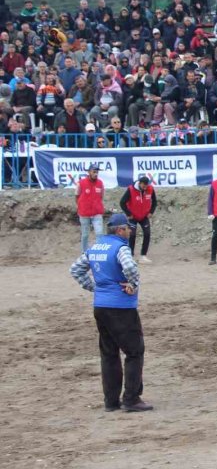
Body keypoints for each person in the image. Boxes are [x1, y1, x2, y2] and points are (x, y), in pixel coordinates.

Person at [69, 213, 153, 412]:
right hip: (121, 307)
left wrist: (95, 288)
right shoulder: (120, 247)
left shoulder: (95, 247)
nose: (130, 230)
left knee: (109, 354)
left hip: (101, 306)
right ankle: (132, 399)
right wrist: (132, 284)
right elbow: (131, 267)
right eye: (128, 228)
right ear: (120, 230)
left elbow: (75, 269)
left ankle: (111, 401)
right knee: (134, 351)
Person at [119, 176, 157, 262]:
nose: (145, 187)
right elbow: (122, 202)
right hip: (133, 216)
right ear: (140, 183)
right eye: (144, 185)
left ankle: (143, 256)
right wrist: (128, 214)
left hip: (144, 216)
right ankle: (131, 256)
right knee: (132, 235)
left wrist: (151, 212)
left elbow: (154, 202)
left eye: (146, 185)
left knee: (147, 234)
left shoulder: (150, 189)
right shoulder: (131, 189)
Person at [76, 163, 105, 252]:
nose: (96, 174)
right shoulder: (81, 183)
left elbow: (101, 196)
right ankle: (84, 252)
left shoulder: (100, 183)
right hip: (84, 213)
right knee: (85, 234)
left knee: (99, 233)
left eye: (97, 172)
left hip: (97, 213)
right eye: (94, 172)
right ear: (89, 172)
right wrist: (81, 206)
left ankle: (99, 252)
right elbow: (77, 196)